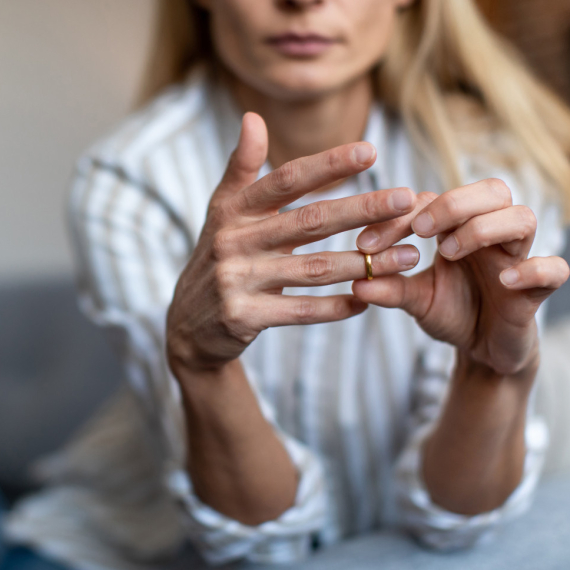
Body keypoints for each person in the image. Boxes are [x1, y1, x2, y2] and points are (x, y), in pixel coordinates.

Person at [4, 0, 570, 568]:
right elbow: (255, 547)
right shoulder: (126, 182)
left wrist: (493, 373)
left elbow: (455, 524)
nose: (303, 1)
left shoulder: (498, 168)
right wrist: (200, 365)